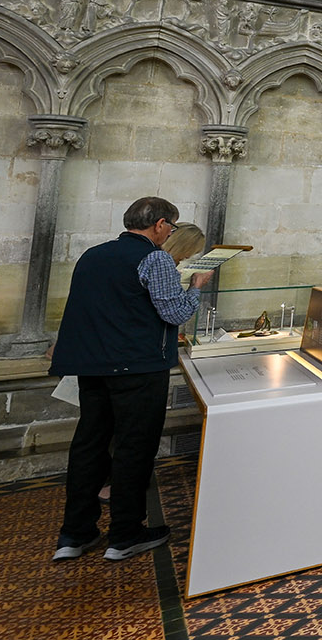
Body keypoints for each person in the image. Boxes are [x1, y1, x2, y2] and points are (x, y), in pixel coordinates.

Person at [49, 197, 211, 562]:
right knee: (133, 449)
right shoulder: (154, 258)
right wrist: (197, 286)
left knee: (89, 446)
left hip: (93, 367)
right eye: (170, 226)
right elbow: (175, 313)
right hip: (136, 368)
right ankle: (125, 534)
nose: (170, 233)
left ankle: (75, 533)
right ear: (160, 224)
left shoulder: (93, 254)